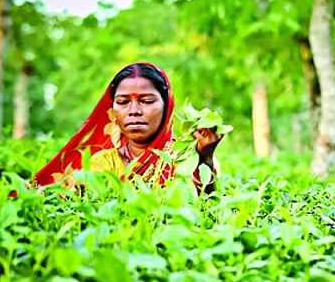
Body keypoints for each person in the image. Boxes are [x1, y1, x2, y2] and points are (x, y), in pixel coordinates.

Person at [34, 62, 222, 193]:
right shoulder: (102, 163)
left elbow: (209, 212)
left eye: (146, 101)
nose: (134, 111)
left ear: (167, 105)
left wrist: (205, 158)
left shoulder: (185, 160)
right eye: (123, 102)